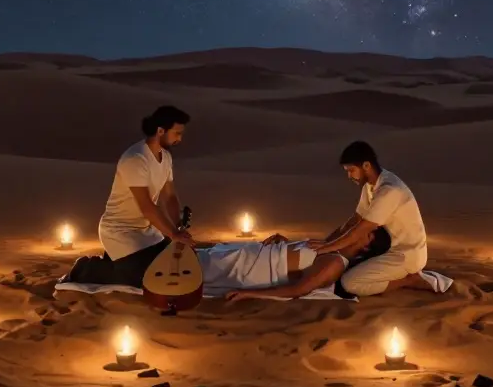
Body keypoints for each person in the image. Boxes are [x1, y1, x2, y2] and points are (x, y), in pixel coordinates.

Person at [64, 105, 197, 287]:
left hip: (147, 231)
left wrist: (178, 226)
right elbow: (147, 206)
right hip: (120, 231)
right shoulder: (136, 159)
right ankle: (86, 268)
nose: (179, 139)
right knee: (141, 279)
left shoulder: (166, 158)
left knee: (171, 265)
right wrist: (173, 234)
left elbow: (170, 197)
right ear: (160, 131)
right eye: (177, 133)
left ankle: (120, 260)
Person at [307, 141, 432, 297]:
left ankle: (409, 280)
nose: (349, 176)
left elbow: (360, 230)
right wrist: (327, 242)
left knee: (350, 283)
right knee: (343, 268)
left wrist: (327, 249)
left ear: (366, 166)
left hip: (406, 255)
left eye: (351, 170)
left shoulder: (389, 190)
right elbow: (355, 220)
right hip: (386, 249)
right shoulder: (371, 185)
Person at [221, 227, 391, 302]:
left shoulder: (335, 263)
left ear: (367, 247)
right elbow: (304, 258)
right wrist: (287, 244)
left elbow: (299, 290)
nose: (359, 230)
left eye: (367, 234)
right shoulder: (331, 245)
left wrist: (248, 294)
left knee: (199, 264)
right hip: (253, 252)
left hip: (248, 267)